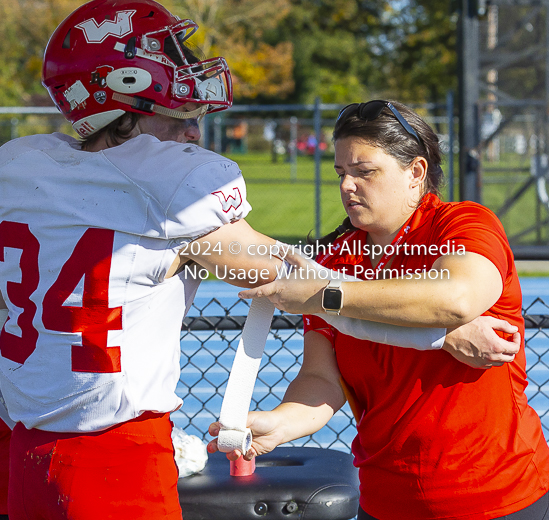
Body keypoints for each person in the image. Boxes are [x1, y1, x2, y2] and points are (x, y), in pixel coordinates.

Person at [0, 2, 520, 519]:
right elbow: (289, 280)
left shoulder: (23, 166)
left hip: (20, 447)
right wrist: (435, 331)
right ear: (127, 86)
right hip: (111, 458)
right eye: (182, 112)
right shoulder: (165, 180)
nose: (193, 131)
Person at [209, 100, 549, 520]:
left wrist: (327, 294)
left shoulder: (464, 224)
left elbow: (455, 299)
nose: (347, 186)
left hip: (498, 497)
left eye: (364, 172)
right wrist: (280, 424)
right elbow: (322, 378)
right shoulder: (335, 261)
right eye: (341, 173)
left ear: (415, 173)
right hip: (386, 500)